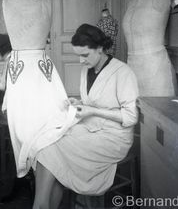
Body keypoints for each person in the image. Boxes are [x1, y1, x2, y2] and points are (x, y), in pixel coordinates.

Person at [32, 23, 139, 209]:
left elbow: (131, 117)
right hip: (90, 129)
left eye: (85, 55)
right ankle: (43, 205)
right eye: (78, 55)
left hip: (113, 138)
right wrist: (78, 103)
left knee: (50, 149)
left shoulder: (122, 72)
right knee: (46, 141)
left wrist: (93, 111)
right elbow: (93, 102)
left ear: (100, 49)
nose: (81, 61)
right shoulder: (87, 70)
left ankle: (40, 205)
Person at [2, 0, 78, 179]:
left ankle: (45, 173)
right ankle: (35, 171)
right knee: (24, 126)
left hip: (42, 71)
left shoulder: (46, 2)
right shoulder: (7, 2)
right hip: (20, 72)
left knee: (46, 121)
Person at [122, 0, 178, 96]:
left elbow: (175, 2)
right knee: (137, 108)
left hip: (154, 65)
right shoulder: (133, 1)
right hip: (132, 64)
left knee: (159, 108)